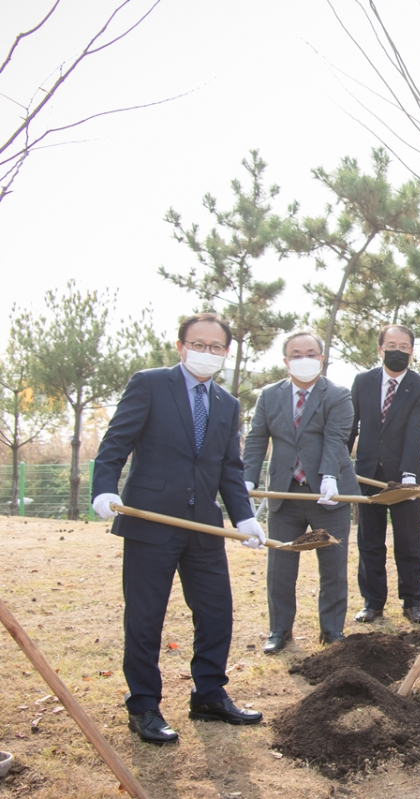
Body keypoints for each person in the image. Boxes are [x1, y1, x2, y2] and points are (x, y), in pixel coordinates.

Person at [91, 312, 267, 746]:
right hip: (150, 520)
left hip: (203, 525)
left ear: (226, 352)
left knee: (216, 613)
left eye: (215, 347)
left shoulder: (227, 404)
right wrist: (103, 490)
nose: (206, 353)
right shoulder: (150, 384)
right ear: (180, 346)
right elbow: (116, 442)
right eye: (198, 344)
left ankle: (208, 693)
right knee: (146, 617)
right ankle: (144, 705)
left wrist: (243, 516)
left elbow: (229, 468)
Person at [242, 331, 357, 654]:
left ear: (321, 357)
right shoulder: (269, 396)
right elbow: (256, 439)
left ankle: (332, 630)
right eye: (296, 354)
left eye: (310, 353)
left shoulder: (337, 395)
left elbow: (336, 439)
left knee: (332, 565)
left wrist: (330, 476)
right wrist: (247, 479)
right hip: (285, 492)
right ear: (285, 360)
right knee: (280, 566)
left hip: (328, 494)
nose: (303, 359)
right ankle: (280, 630)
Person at [349, 324, 420, 624]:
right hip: (367, 473)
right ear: (380, 348)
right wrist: (338, 466)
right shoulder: (362, 382)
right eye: (391, 345)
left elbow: (417, 432)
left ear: (412, 351)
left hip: (404, 476)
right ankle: (372, 602)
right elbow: (351, 425)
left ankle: (413, 602)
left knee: (409, 541)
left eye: (404, 346)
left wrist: (409, 473)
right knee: (369, 541)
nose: (397, 351)